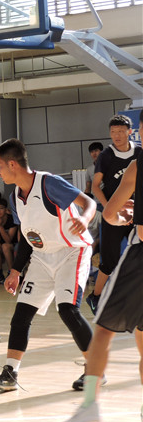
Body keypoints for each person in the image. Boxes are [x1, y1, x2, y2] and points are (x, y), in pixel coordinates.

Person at [0, 139, 96, 391]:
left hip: (72, 251)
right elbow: (27, 235)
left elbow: (88, 202)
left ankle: (96, 369)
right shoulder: (14, 196)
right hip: (42, 257)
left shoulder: (49, 183)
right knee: (21, 314)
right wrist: (15, 271)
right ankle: (10, 373)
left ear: (12, 164)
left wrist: (85, 219)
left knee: (68, 310)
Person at [60, 111, 143, 422]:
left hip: (139, 258)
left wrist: (121, 215)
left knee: (104, 330)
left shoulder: (137, 163)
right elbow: (107, 206)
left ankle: (89, 404)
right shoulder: (118, 160)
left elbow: (110, 214)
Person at [87, 115, 141, 310]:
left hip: (137, 212)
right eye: (113, 132)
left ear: (130, 132)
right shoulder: (106, 155)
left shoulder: (139, 153)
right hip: (114, 214)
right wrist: (111, 208)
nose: (116, 135)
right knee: (109, 261)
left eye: (120, 131)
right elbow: (95, 186)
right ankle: (95, 296)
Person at [0, 197, 18, 278]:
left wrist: (0, 226)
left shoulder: (11, 219)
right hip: (1, 244)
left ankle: (11, 272)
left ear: (5, 209)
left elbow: (9, 240)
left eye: (1, 208)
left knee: (5, 246)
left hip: (14, 244)